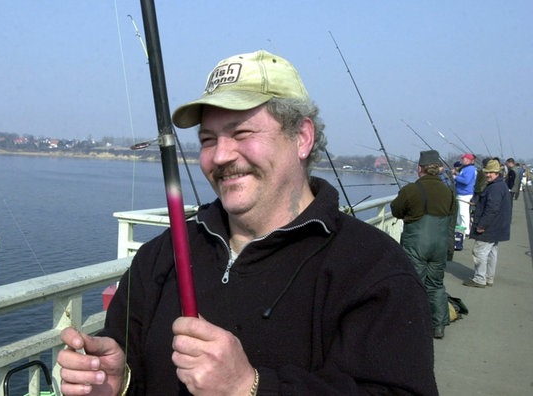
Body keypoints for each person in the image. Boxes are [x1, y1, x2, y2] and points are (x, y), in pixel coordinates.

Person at [57, 50, 437, 395]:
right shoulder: (162, 256)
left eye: (241, 132)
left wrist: (250, 386)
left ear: (301, 137)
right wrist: (118, 382)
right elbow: (132, 362)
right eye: (208, 139)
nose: (220, 156)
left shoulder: (373, 269)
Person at [391, 150, 457, 339]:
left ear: (420, 169)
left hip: (417, 244)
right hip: (440, 245)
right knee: (436, 284)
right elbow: (451, 217)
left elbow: (396, 210)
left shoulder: (412, 190)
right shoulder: (448, 192)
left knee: (414, 283)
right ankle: (438, 326)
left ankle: (410, 325)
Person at [462, 159, 512, 287]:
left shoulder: (495, 188)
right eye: (487, 172)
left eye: (491, 172)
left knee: (479, 252)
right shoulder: (500, 185)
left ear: (497, 173)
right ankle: (489, 277)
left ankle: (480, 279)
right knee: (491, 252)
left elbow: (492, 209)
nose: (488, 174)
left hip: (490, 227)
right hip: (497, 226)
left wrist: (481, 225)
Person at [452, 153, 477, 236]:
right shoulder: (465, 168)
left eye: (464, 159)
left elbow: (466, 181)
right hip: (461, 193)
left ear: (469, 160)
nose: (462, 160)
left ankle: (466, 231)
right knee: (459, 213)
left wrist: (455, 177)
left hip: (465, 193)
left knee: (463, 213)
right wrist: (457, 175)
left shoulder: (470, 169)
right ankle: (460, 229)